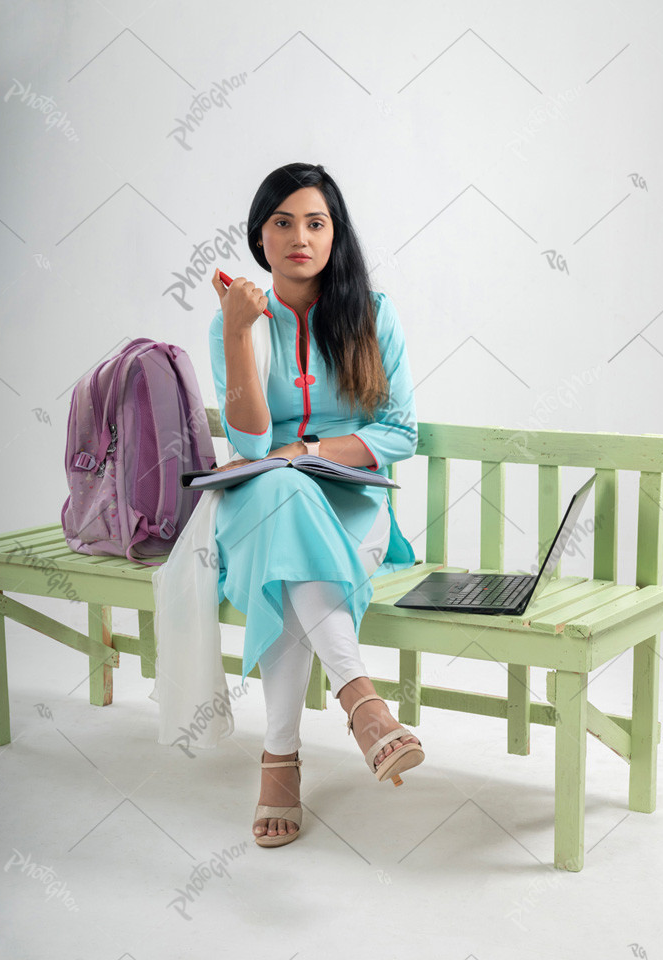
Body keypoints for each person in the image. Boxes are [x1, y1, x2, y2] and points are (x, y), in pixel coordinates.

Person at [208, 163, 424, 847]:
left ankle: (279, 761)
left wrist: (311, 452)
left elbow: (399, 432)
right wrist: (240, 334)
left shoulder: (371, 315)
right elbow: (247, 439)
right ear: (259, 237)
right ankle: (364, 705)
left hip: (351, 504)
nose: (299, 235)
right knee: (280, 495)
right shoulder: (233, 324)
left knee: (290, 567)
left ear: (335, 235)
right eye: (282, 222)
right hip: (261, 500)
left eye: (315, 222)